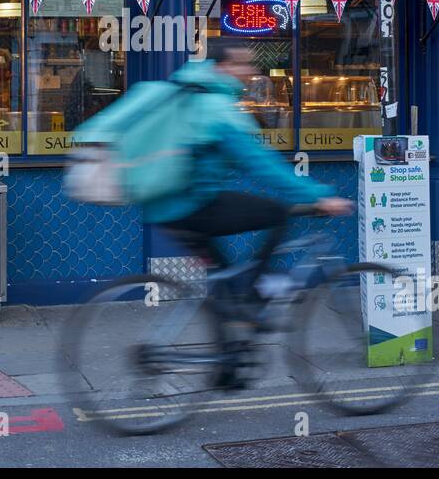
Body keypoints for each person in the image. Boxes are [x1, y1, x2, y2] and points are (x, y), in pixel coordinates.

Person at [144, 45, 354, 309]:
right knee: (278, 213)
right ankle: (257, 287)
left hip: (167, 206)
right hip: (191, 204)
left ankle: (231, 333)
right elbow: (261, 163)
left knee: (225, 281)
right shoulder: (217, 107)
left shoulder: (194, 94)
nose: (250, 71)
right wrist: (318, 195)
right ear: (220, 67)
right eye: (241, 63)